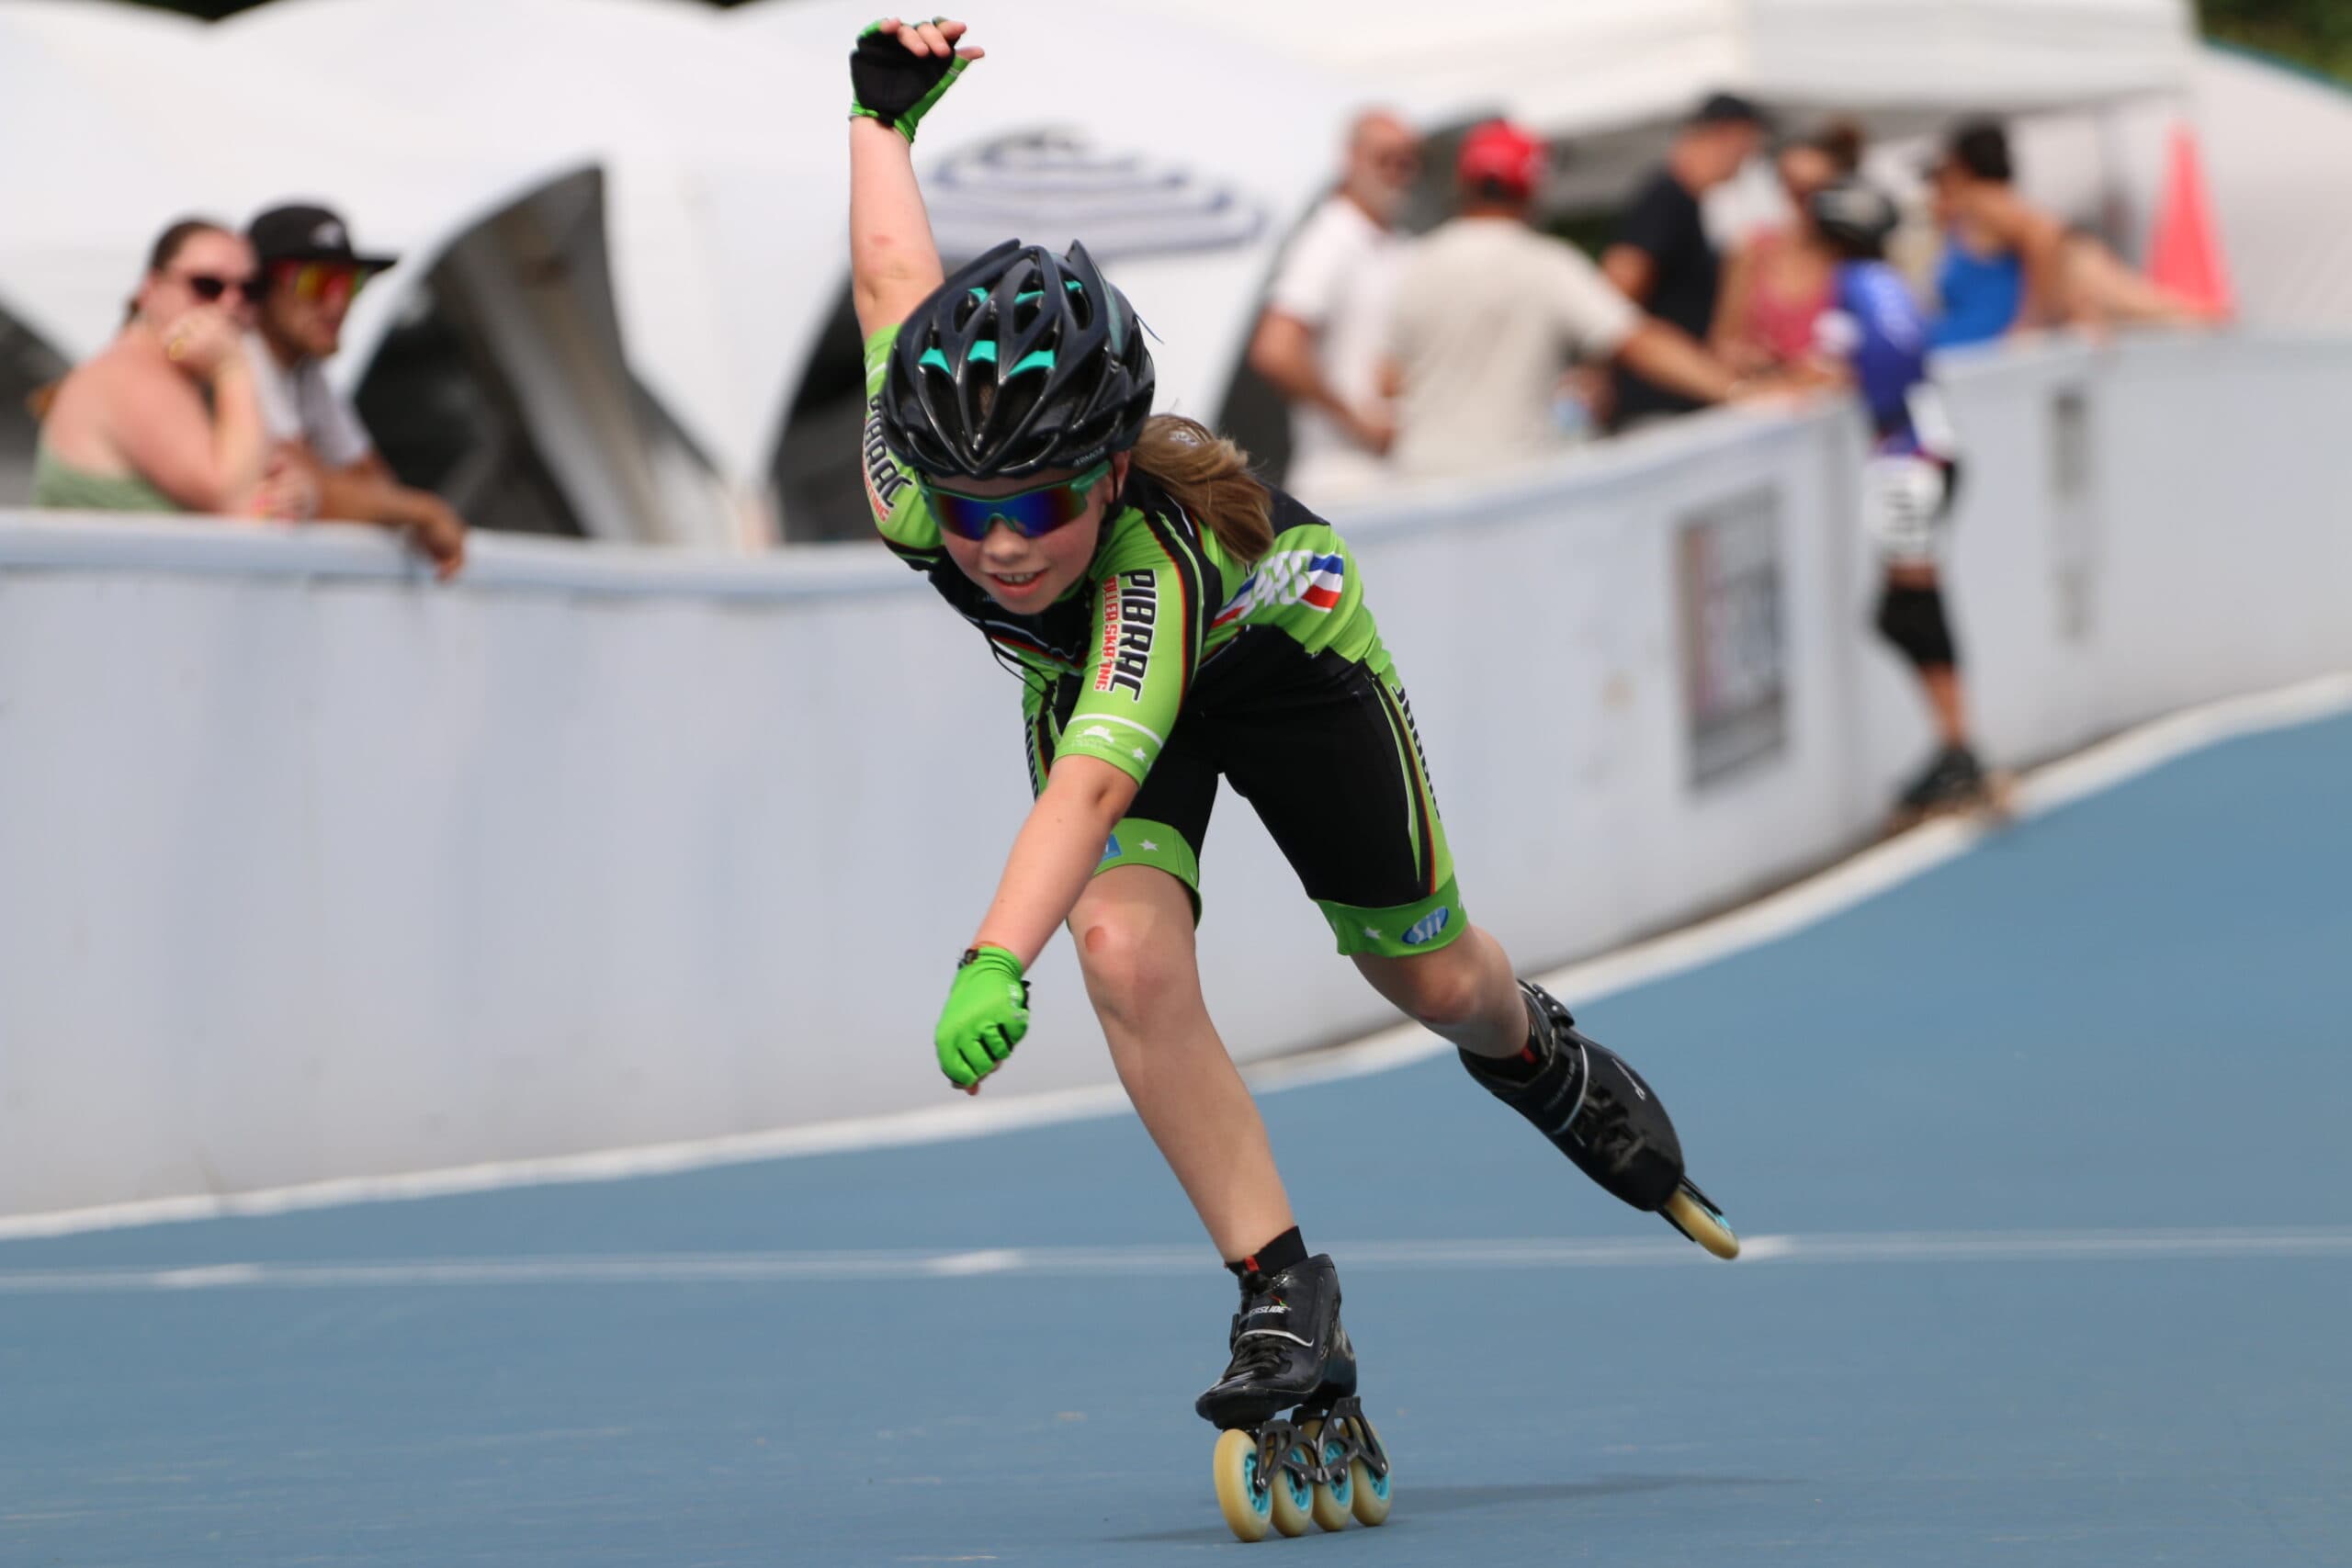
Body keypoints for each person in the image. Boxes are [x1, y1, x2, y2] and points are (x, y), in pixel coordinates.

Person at [843, 17, 1736, 1537]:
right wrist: (879, 117)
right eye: (974, 504)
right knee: (1122, 950)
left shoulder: (1138, 574)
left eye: (1044, 499)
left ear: (1115, 469)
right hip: (1108, 699)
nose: (999, 541)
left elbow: (1083, 797)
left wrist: (991, 952)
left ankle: (1539, 1052)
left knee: (1434, 984)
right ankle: (1281, 1291)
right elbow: (889, 287)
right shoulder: (909, 476)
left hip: (1277, 651)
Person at [1384, 118, 1755, 480]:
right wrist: (1739, 391)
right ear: (1534, 187)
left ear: (1463, 181)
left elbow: (1387, 380)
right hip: (1508, 482)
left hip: (1419, 479)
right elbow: (1636, 340)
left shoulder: (1417, 262)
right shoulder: (1545, 263)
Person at [1804, 179, 1995, 819]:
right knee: (1904, 605)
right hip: (1926, 449)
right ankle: (1955, 747)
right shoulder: (1890, 283)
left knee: (1909, 606)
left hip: (1905, 455)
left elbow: (1842, 367)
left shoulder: (1852, 286)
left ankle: (1958, 749)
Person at [245, 203, 468, 579]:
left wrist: (398, 507)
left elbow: (372, 483)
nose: (337, 301)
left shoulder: (304, 370)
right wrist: (426, 511)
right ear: (260, 287)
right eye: (314, 281)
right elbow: (313, 492)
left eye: (350, 282)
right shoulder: (242, 355)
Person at [31, 218, 271, 515]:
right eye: (208, 285)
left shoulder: (191, 381)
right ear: (152, 288)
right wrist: (231, 366)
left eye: (250, 289)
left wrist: (297, 492)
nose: (231, 302)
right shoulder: (129, 374)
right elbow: (236, 504)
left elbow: (260, 489)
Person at [1245, 109, 1420, 511]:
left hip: (1392, 474)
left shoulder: (1397, 245)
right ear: (1351, 159)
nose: (1397, 172)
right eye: (1385, 159)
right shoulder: (1331, 239)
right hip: (1341, 478)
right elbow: (1276, 347)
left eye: (1407, 160)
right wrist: (1356, 420)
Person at [1601, 92, 1770, 431]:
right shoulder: (1666, 197)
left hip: (1682, 405)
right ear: (1727, 134)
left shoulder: (1693, 205)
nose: (1750, 155)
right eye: (1749, 142)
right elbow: (1612, 297)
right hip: (1657, 409)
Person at [1713, 121, 1862, 376]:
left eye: (1815, 191)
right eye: (1795, 189)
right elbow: (1722, 347)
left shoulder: (1856, 252)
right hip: (1775, 398)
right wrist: (1764, 362)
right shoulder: (1752, 250)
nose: (1805, 202)